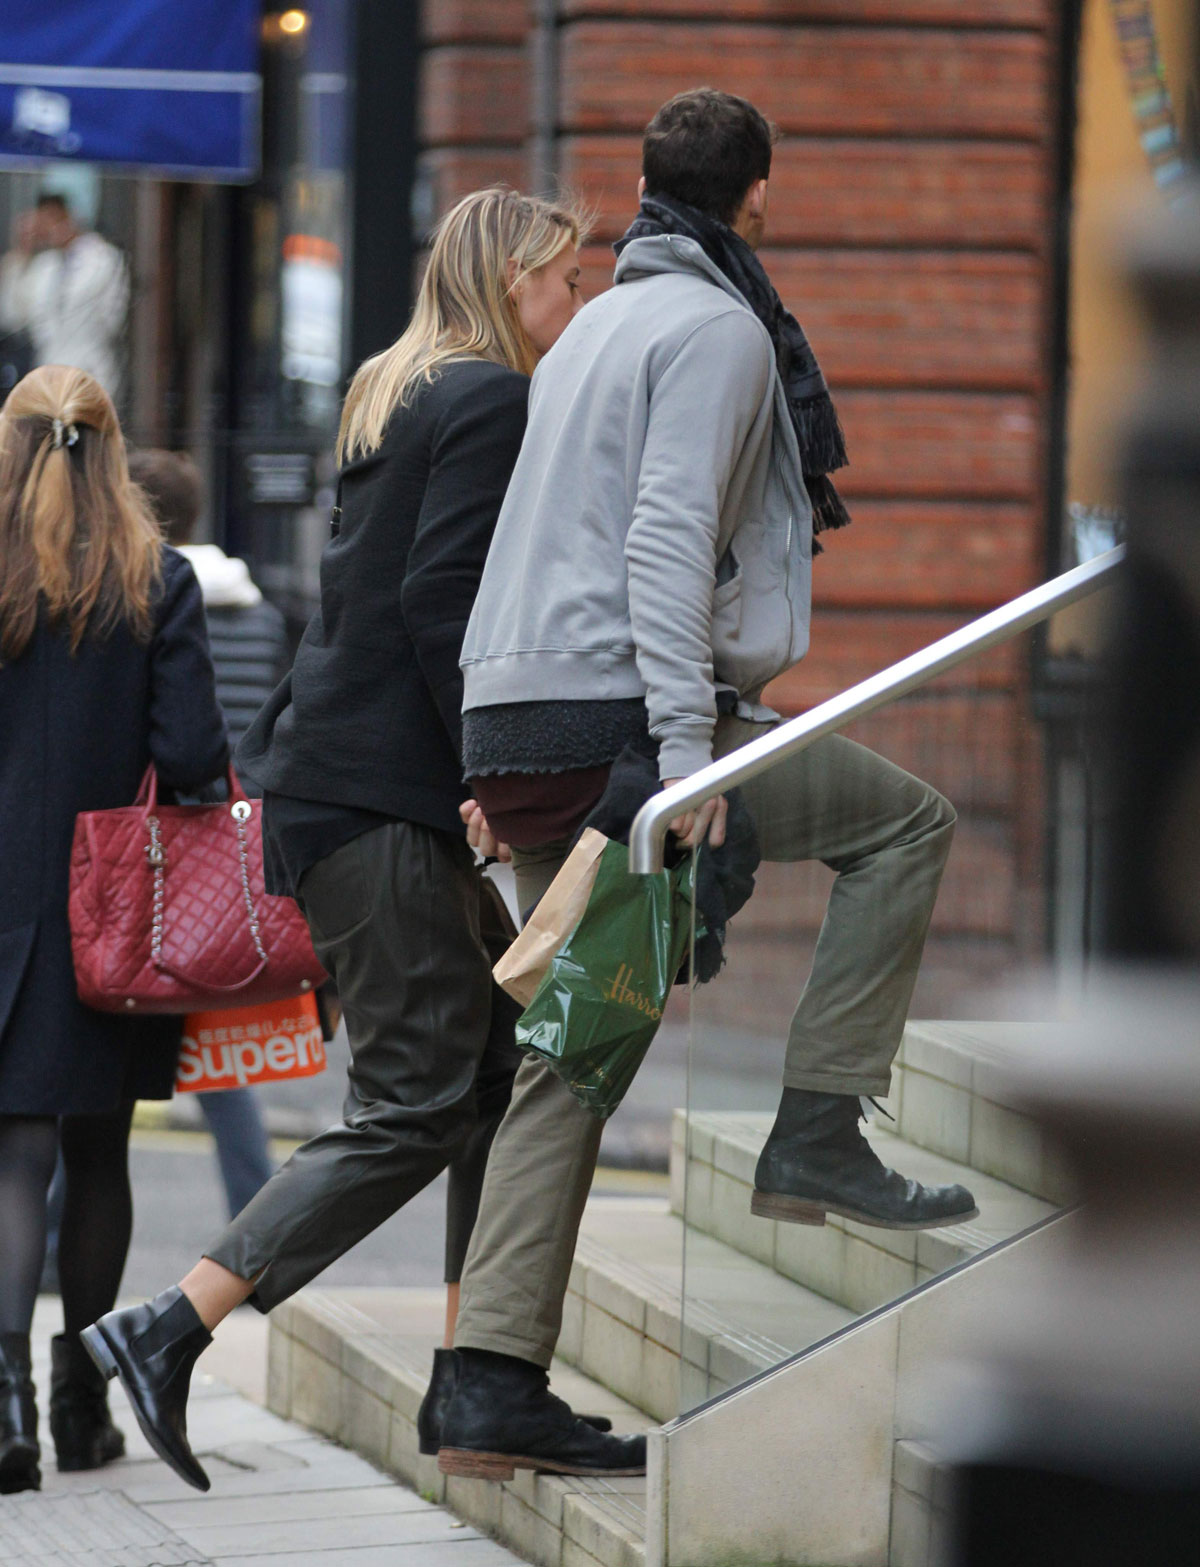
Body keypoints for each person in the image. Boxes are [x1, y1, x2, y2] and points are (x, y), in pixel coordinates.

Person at [433, 88, 977, 1481]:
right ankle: (813, 1132)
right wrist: (685, 760)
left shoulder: (598, 320)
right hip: (620, 726)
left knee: (573, 1045)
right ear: (759, 202)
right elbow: (668, 540)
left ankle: (488, 1375)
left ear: (647, 187)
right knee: (904, 820)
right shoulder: (721, 330)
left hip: (528, 712)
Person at [82, 187, 624, 1494]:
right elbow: (443, 601)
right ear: (508, 283)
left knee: (492, 1068)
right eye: (564, 279)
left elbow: (355, 605)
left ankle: (476, 1368)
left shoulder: (399, 389)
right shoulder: (489, 397)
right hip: (382, 791)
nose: (580, 301)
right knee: (425, 1091)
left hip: (346, 784)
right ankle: (169, 1325)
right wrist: (492, 769)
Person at [0, 366, 228, 1494]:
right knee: (98, 1150)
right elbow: (191, 758)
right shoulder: (159, 579)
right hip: (115, 909)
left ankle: (1, 1407)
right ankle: (82, 1404)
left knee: (12, 1146)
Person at [128, 447, 289, 1221]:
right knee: (220, 1054)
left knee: (110, 1032)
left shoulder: (142, 597)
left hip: (151, 844)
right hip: (233, 849)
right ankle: (257, 1221)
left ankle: (55, 1228)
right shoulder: (261, 614)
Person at [0, 195, 129, 404]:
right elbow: (13, 317)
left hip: (91, 369)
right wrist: (22, 254)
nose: (49, 229)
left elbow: (112, 319)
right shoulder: (45, 266)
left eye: (54, 220)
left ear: (69, 218)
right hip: (50, 372)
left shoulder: (103, 258)